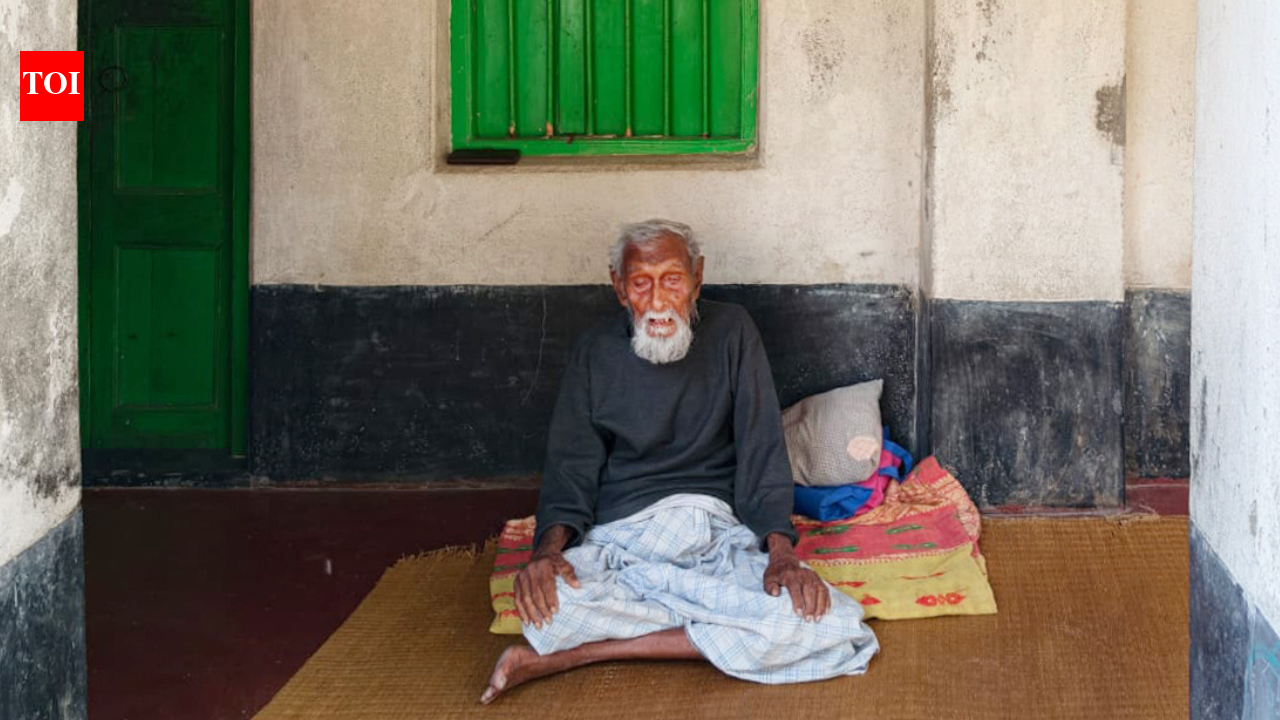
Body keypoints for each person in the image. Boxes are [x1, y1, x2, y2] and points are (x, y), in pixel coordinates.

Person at [481, 220, 878, 704]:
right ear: (619, 288)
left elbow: (761, 446)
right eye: (640, 282)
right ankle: (707, 626)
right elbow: (571, 466)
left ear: (697, 278)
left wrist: (782, 556)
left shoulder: (733, 330)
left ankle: (575, 655)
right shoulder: (593, 352)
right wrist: (545, 556)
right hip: (623, 537)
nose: (658, 299)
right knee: (549, 605)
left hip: (714, 533)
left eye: (672, 278)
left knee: (826, 621)